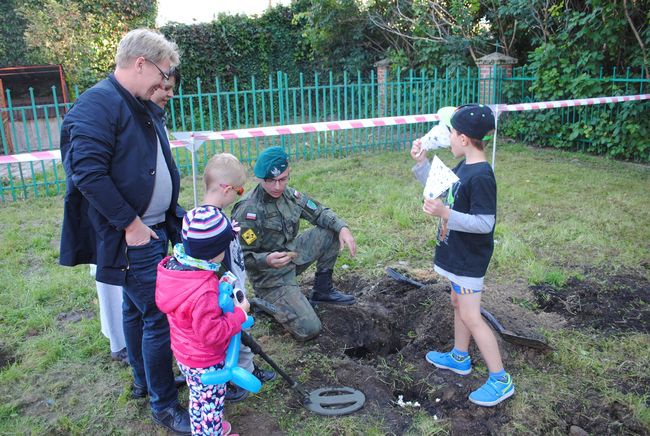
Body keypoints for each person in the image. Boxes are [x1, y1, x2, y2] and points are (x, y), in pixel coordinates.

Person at [59, 29, 190, 433]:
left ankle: (144, 381)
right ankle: (164, 404)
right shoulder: (97, 104)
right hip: (134, 235)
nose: (165, 83)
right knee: (157, 316)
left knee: (135, 310)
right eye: (163, 73)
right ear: (141, 63)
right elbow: (87, 173)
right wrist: (131, 225)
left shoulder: (133, 102)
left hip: (153, 228)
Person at [410, 104, 515, 407]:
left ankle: (500, 379)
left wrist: (446, 213)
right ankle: (459, 356)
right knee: (457, 303)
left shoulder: (482, 175)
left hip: (470, 259)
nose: (448, 140)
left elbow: (485, 223)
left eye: (451, 134)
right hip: (456, 253)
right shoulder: (465, 166)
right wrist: (421, 163)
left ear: (465, 138)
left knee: (471, 315)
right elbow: (440, 188)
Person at [231, 146, 357, 341]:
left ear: (288, 174)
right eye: (270, 181)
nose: (277, 187)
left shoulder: (290, 196)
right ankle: (263, 302)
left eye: (282, 179)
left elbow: (320, 213)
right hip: (269, 277)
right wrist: (267, 260)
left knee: (330, 232)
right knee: (310, 329)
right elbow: (241, 257)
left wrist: (342, 228)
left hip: (291, 256)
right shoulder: (248, 211)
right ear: (259, 179)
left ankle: (322, 290)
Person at [156, 205, 249, 436]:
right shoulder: (204, 290)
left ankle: (208, 428)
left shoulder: (175, 269)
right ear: (216, 250)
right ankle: (210, 431)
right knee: (210, 406)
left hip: (185, 352)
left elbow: (191, 312)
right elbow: (212, 333)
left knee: (199, 399)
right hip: (205, 359)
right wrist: (240, 314)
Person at [201, 153, 277, 403]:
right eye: (239, 190)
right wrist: (232, 296)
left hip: (237, 287)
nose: (239, 195)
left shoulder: (218, 217)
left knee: (240, 333)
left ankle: (248, 368)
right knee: (228, 337)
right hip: (225, 293)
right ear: (226, 188)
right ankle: (231, 380)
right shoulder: (207, 225)